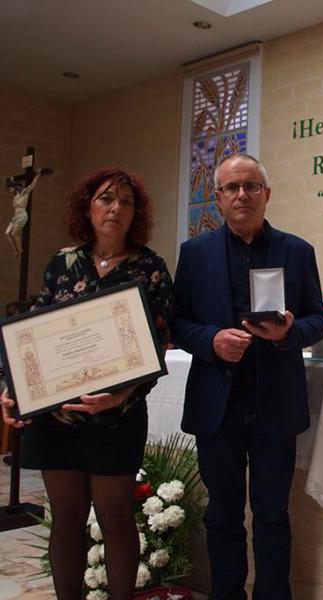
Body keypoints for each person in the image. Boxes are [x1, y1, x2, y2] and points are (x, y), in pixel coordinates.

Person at [1, 167, 172, 600]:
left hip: (118, 417)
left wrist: (120, 394)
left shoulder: (150, 267)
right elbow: (35, 332)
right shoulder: (62, 262)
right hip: (58, 417)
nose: (116, 208)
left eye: (126, 201)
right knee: (66, 517)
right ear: (87, 207)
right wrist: (14, 386)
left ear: (137, 213)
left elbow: (159, 343)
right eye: (106, 198)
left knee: (115, 517)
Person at [171, 153, 323, 600]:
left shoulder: (297, 251)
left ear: (266, 193)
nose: (242, 194)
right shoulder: (194, 253)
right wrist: (211, 340)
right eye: (232, 188)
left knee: (273, 516)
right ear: (218, 198)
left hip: (274, 403)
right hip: (217, 405)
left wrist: (288, 332)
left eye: (251, 186)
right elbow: (177, 322)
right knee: (222, 516)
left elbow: (318, 319)